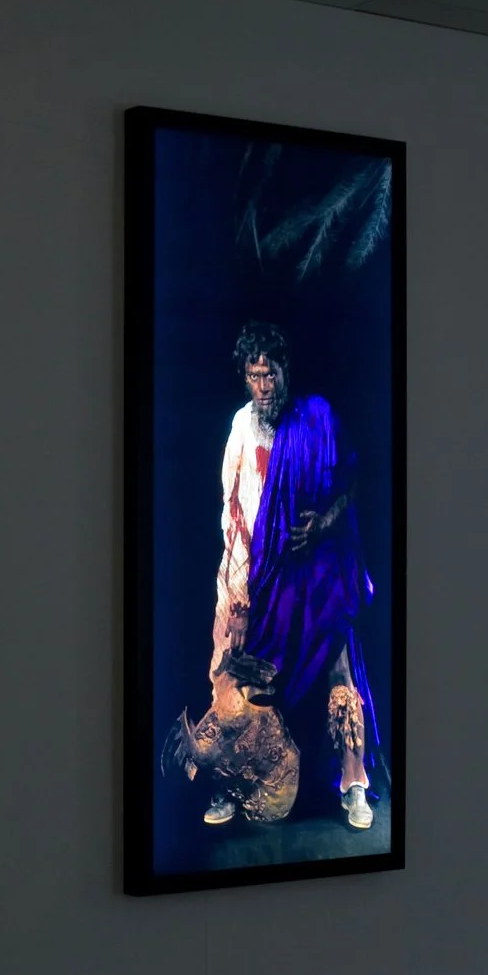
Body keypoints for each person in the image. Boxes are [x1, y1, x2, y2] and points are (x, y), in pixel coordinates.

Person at [204, 321, 381, 832]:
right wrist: (238, 597)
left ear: (285, 371)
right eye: (254, 375)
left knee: (339, 669)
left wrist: (324, 522)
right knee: (236, 674)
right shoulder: (242, 428)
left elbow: (350, 480)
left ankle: (354, 783)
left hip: (318, 570)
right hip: (261, 575)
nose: (264, 386)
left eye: (271, 374)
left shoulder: (316, 417)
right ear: (244, 377)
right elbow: (235, 514)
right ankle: (229, 783)